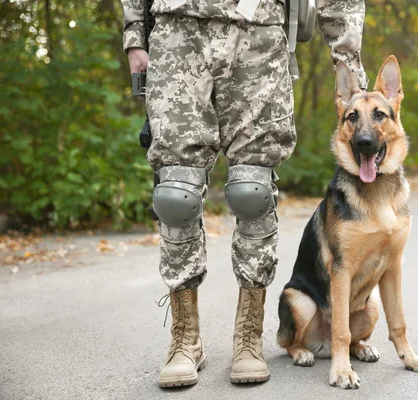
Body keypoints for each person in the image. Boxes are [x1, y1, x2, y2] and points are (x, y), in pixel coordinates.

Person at [121, 0, 368, 387]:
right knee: (175, 196)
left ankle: (248, 338)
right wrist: (135, 35)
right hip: (177, 30)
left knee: (252, 190)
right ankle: (185, 340)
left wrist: (349, 61)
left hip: (259, 29)